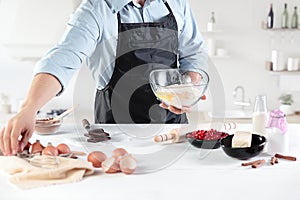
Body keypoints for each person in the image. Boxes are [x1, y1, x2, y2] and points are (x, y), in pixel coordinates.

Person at [0, 0, 208, 156]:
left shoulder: (176, 3)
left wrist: (186, 88)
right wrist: (29, 107)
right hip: (115, 134)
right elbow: (63, 59)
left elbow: (194, 52)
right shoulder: (96, 9)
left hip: (173, 131)